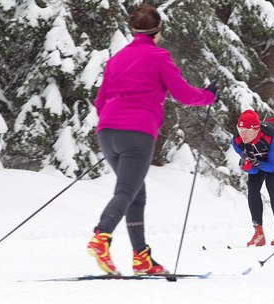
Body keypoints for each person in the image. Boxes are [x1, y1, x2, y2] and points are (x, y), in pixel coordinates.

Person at [87, 4, 218, 275]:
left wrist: (115, 124)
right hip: (137, 133)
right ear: (158, 31)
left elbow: (100, 102)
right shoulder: (159, 56)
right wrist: (208, 96)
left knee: (136, 193)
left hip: (108, 131)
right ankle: (101, 237)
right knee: (126, 191)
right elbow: (182, 93)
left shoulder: (116, 59)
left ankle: (141, 258)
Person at [231, 110, 274, 246]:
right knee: (253, 187)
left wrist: (256, 163)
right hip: (259, 156)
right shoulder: (237, 141)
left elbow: (272, 166)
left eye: (247, 130)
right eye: (240, 129)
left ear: (256, 128)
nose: (243, 134)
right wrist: (248, 166)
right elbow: (254, 172)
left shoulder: (272, 135)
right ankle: (258, 233)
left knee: (272, 184)